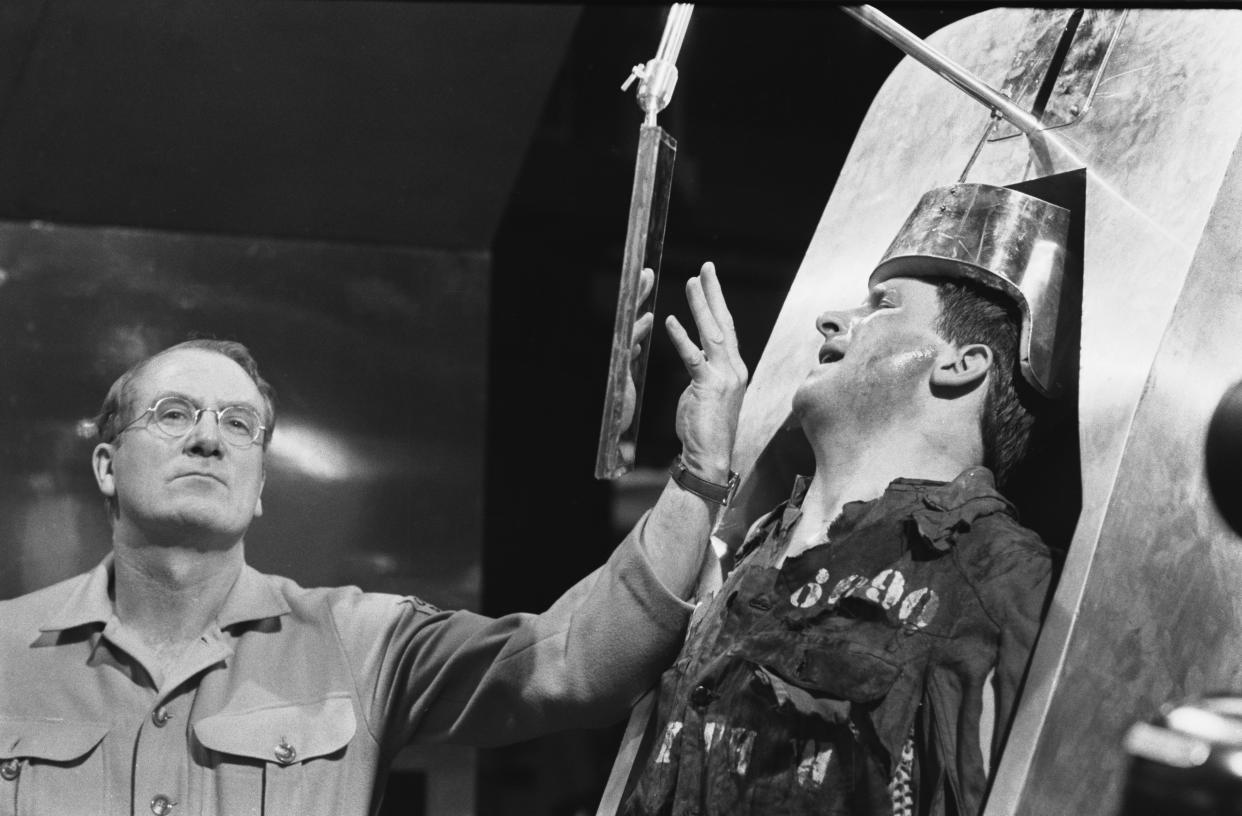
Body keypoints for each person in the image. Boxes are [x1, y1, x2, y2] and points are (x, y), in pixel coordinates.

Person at [0, 264, 748, 816]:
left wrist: (701, 472)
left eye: (238, 424)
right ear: (105, 464)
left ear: (260, 486)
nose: (207, 439)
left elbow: (572, 662)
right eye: (172, 413)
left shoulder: (358, 642)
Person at [607, 182, 1071, 816]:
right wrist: (699, 463)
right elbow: (584, 666)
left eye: (881, 305)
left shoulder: (1002, 581)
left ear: (962, 364)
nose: (833, 320)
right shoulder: (748, 552)